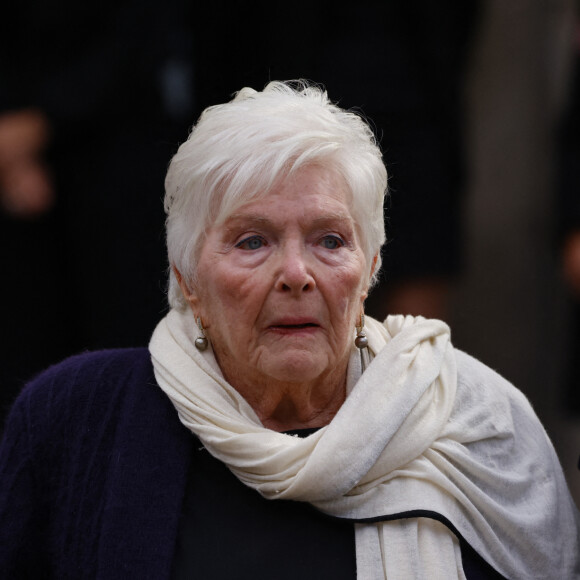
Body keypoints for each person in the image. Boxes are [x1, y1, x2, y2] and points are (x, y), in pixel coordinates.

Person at [0, 81, 578, 579]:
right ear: (187, 278)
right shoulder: (75, 420)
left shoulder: (481, 426)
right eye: (253, 241)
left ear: (371, 269)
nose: (296, 275)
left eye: (330, 240)